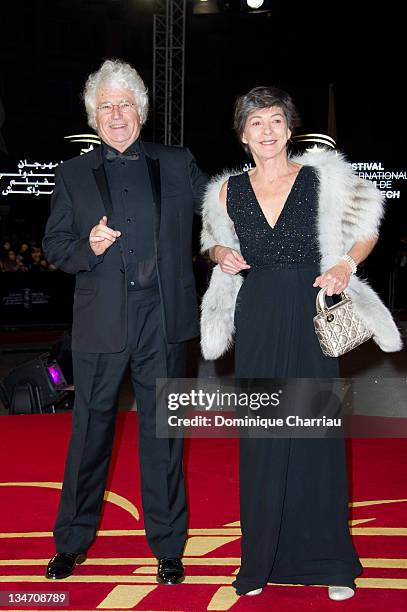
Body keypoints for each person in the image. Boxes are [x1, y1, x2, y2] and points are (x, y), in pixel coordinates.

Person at [200, 87, 402, 601]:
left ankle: (332, 562)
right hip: (260, 314)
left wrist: (344, 264)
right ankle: (260, 561)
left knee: (317, 437)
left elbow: (367, 228)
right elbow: (215, 241)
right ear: (243, 135)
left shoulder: (321, 180)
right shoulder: (226, 192)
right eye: (255, 123)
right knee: (265, 439)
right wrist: (222, 251)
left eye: (274, 121)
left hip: (310, 309)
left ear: (289, 129)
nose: (266, 131)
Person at [43, 59, 207, 583]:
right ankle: (70, 542)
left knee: (163, 437)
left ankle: (168, 547)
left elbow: (225, 207)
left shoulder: (177, 162)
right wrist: (87, 247)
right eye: (106, 106)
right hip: (100, 323)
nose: (117, 115)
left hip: (162, 318)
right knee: (89, 435)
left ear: (141, 110)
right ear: (94, 116)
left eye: (125, 104)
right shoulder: (71, 174)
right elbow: (54, 245)